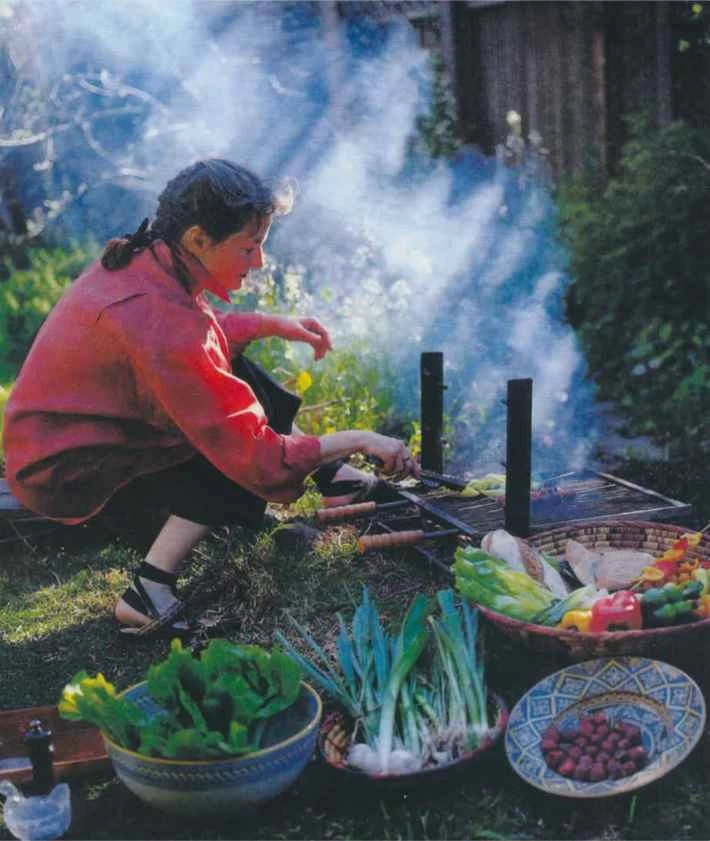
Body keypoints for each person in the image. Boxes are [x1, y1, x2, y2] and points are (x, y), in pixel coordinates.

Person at [2, 159, 419, 636]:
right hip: (69, 476)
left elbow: (195, 343)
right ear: (199, 239)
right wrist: (361, 437)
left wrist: (270, 324)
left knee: (230, 376)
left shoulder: (151, 258)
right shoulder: (162, 323)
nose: (259, 261)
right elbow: (259, 459)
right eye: (249, 247)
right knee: (230, 446)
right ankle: (148, 591)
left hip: (63, 443)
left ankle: (334, 478)